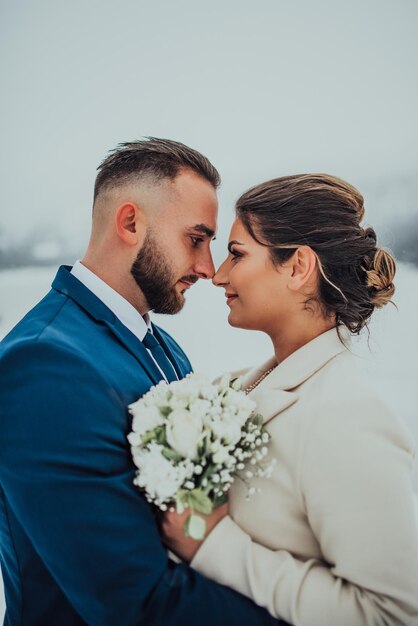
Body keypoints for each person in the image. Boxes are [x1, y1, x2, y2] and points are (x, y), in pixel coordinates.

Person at [0, 139, 283, 626]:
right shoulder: (42, 365)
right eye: (196, 238)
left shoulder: (165, 347)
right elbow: (134, 604)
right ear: (130, 222)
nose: (208, 269)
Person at [162, 173, 418, 626]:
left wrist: (214, 544)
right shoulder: (241, 387)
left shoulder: (348, 420)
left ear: (299, 267)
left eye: (237, 254)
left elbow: (392, 615)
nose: (218, 275)